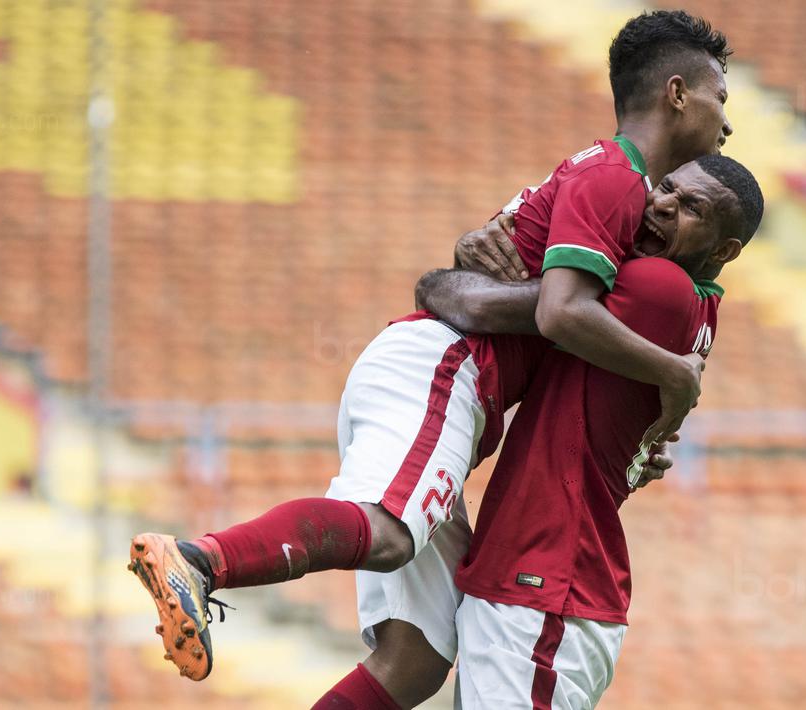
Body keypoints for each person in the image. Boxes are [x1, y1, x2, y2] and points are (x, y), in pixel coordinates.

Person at [126, 10, 734, 707]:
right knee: (386, 534)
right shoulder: (616, 180)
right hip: (446, 369)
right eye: (720, 96)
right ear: (678, 92)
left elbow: (498, 288)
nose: (724, 123)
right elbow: (560, 311)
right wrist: (670, 375)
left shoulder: (615, 188)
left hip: (446, 378)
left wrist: (460, 285)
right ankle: (201, 561)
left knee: (414, 661)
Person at [419, 155, 765, 708]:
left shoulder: (655, 284)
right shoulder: (697, 310)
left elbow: (472, 302)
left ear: (723, 250)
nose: (663, 205)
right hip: (544, 582)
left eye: (692, 208)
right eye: (667, 187)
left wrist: (449, 269)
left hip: (548, 584)